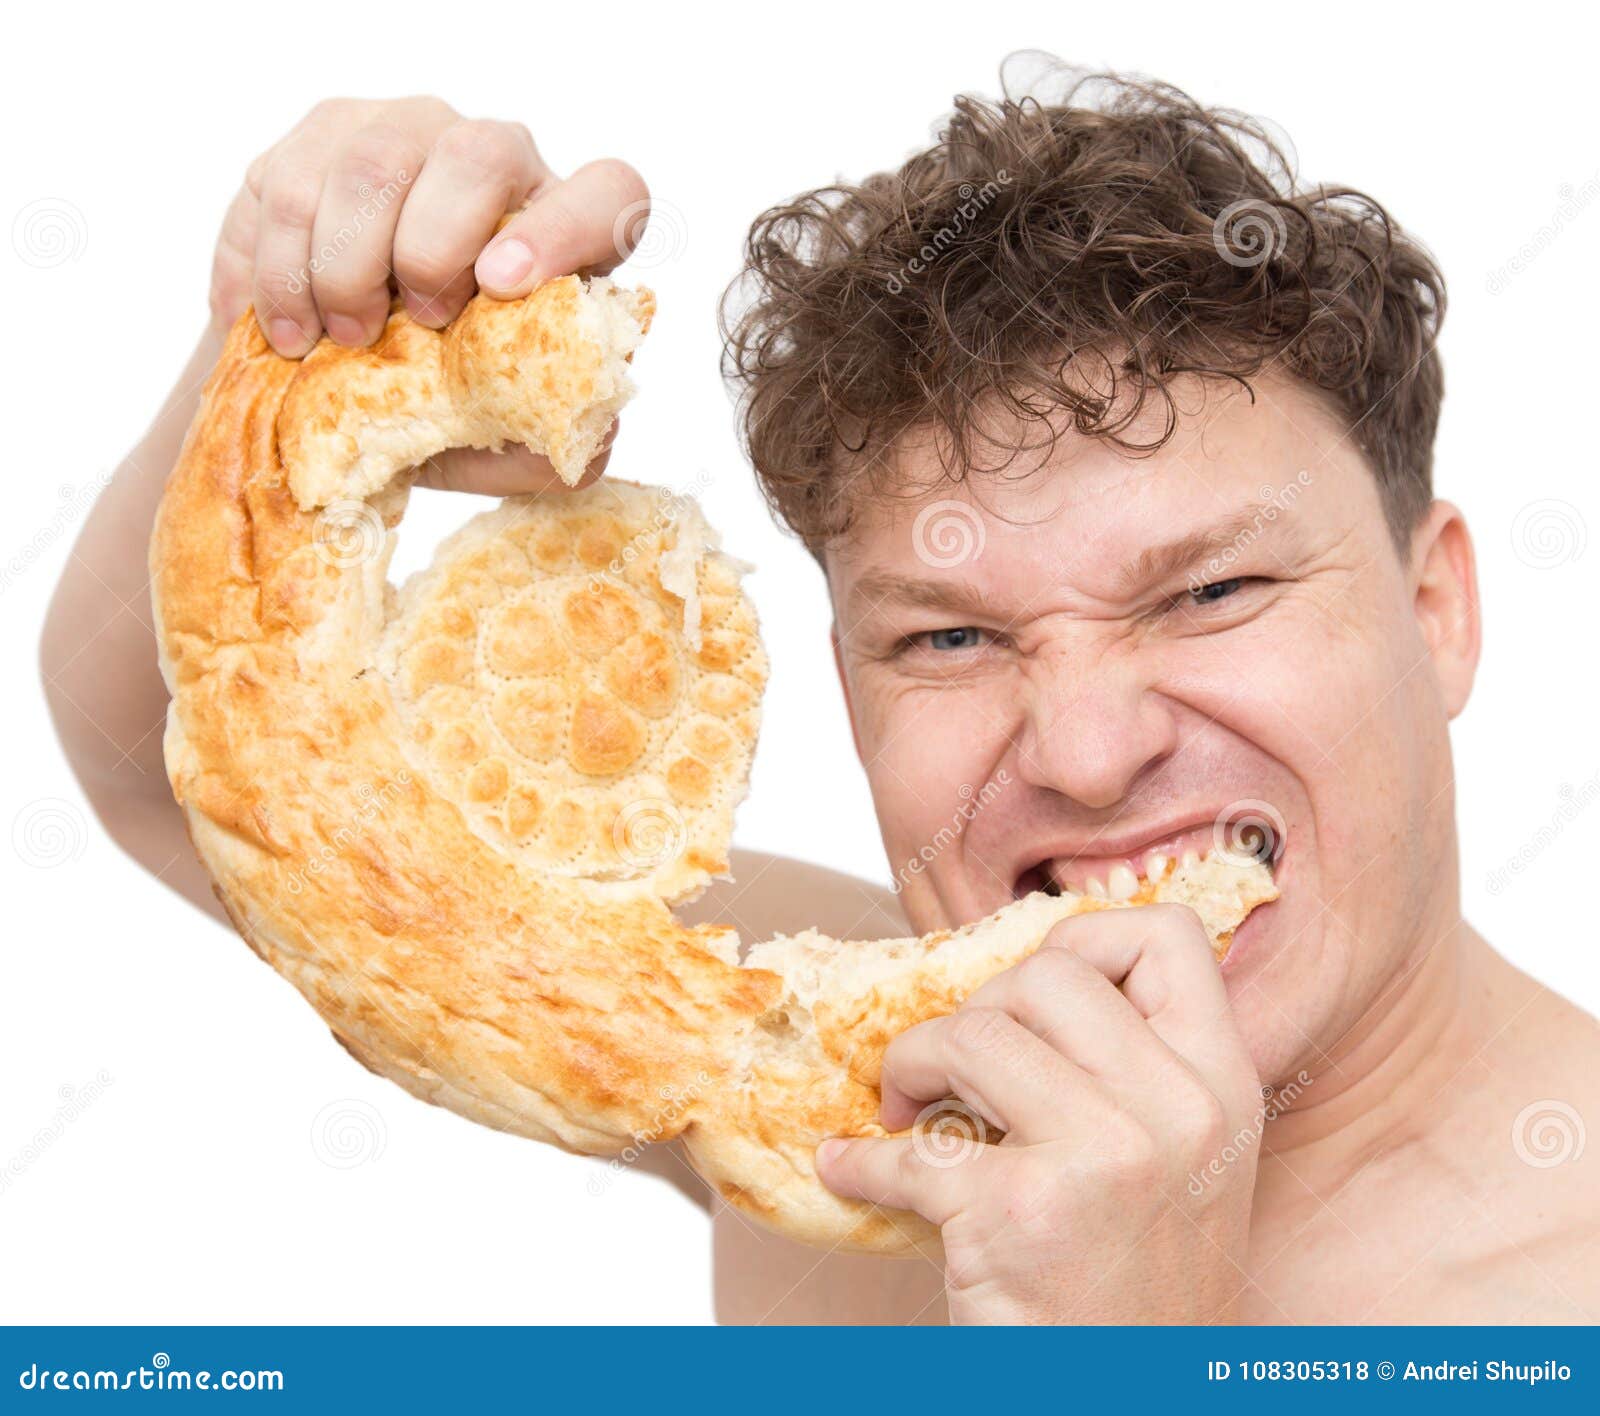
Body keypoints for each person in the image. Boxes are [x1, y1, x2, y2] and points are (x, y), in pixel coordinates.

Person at [40, 73, 1600, 1326]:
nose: (1089, 749)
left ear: (1435, 612)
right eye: (947, 642)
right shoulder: (811, 1072)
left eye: (1208, 595)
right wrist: (306, 334)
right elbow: (167, 766)